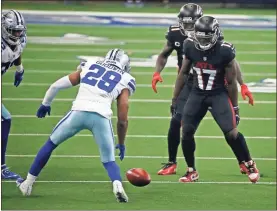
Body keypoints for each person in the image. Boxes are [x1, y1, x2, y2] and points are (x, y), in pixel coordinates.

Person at [16, 49, 136, 202]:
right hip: (101, 116)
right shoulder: (125, 78)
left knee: (51, 143)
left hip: (78, 112)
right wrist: (121, 142)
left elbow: (56, 85)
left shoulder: (90, 65)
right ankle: (117, 185)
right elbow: (122, 116)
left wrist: (45, 103)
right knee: (109, 161)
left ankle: (27, 183)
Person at [151, 3, 254, 175]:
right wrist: (157, 73)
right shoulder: (177, 33)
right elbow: (166, 55)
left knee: (228, 127)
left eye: (193, 24)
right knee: (177, 121)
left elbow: (230, 63)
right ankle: (172, 163)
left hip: (212, 83)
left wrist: (242, 84)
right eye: (186, 23)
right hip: (189, 82)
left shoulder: (211, 34)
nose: (189, 28)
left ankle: (243, 161)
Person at [172, 16, 259, 183]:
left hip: (218, 94)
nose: (204, 41)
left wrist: (235, 107)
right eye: (201, 37)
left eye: (207, 37)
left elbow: (232, 82)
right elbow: (183, 73)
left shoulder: (225, 50)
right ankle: (191, 171)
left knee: (231, 133)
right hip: (197, 93)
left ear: (216, 33)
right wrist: (175, 99)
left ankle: (249, 163)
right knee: (186, 132)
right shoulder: (190, 45)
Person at [1, 10, 27, 180]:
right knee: (4, 119)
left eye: (19, 31)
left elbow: (16, 51)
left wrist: (19, 68)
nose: (17, 34)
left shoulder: (18, 41)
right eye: (14, 31)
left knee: (5, 119)